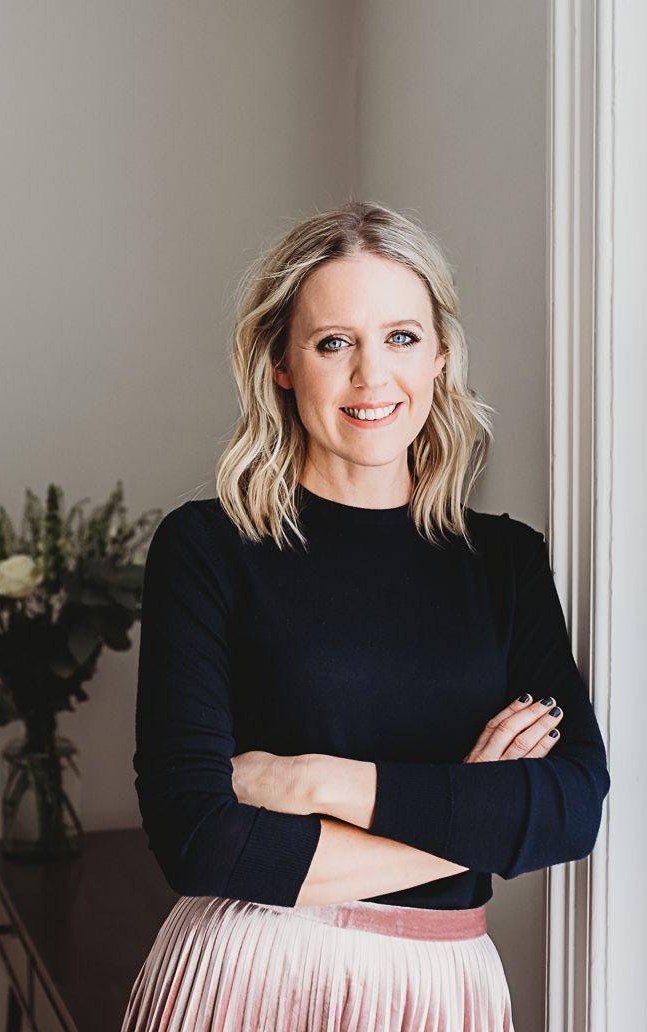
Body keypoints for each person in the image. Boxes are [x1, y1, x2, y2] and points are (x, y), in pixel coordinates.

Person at [120, 200, 610, 1031]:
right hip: (251, 967)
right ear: (281, 362)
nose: (371, 378)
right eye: (333, 342)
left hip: (444, 984)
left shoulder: (505, 562)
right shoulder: (207, 546)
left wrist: (315, 782)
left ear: (442, 356)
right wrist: (479, 809)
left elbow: (571, 807)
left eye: (402, 337)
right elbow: (200, 841)